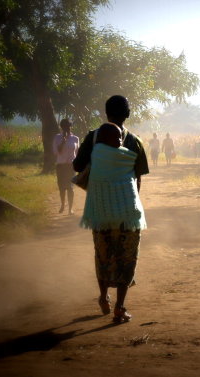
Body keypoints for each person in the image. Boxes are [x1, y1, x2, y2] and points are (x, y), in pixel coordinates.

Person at [73, 95, 149, 324]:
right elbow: (138, 179)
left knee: (103, 254)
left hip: (100, 209)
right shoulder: (135, 141)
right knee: (127, 258)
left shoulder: (93, 137)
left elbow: (77, 166)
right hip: (128, 209)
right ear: (128, 114)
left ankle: (104, 297)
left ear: (106, 114)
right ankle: (120, 307)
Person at [53, 118, 80, 214]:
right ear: (61, 127)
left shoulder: (75, 138)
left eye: (68, 127)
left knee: (70, 188)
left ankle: (70, 209)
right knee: (61, 188)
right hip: (60, 166)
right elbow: (56, 152)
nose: (66, 129)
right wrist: (63, 141)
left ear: (70, 127)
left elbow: (77, 153)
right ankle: (62, 205)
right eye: (64, 127)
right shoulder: (57, 138)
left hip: (71, 166)